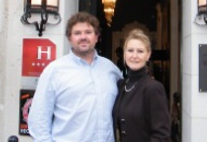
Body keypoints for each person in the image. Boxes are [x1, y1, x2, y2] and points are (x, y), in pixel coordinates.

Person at [28, 12, 123, 142]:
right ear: (69, 38)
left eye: (88, 32)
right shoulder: (54, 71)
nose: (83, 37)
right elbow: (38, 120)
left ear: (96, 37)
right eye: (77, 33)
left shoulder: (111, 70)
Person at [112, 29, 171, 142]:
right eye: (130, 50)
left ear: (148, 55)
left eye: (140, 51)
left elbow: (161, 135)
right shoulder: (121, 85)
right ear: (124, 54)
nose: (134, 55)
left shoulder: (153, 88)